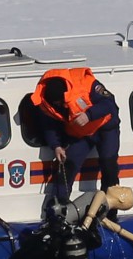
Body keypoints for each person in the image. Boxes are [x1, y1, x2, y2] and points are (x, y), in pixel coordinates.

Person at [30, 67, 120, 213]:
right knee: (68, 164)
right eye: (57, 103)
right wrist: (56, 146)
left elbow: (109, 104)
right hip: (79, 134)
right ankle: (59, 209)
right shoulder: (46, 102)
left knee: (109, 164)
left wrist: (88, 115)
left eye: (60, 102)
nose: (60, 105)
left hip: (105, 127)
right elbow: (49, 126)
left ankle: (109, 209)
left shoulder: (86, 83)